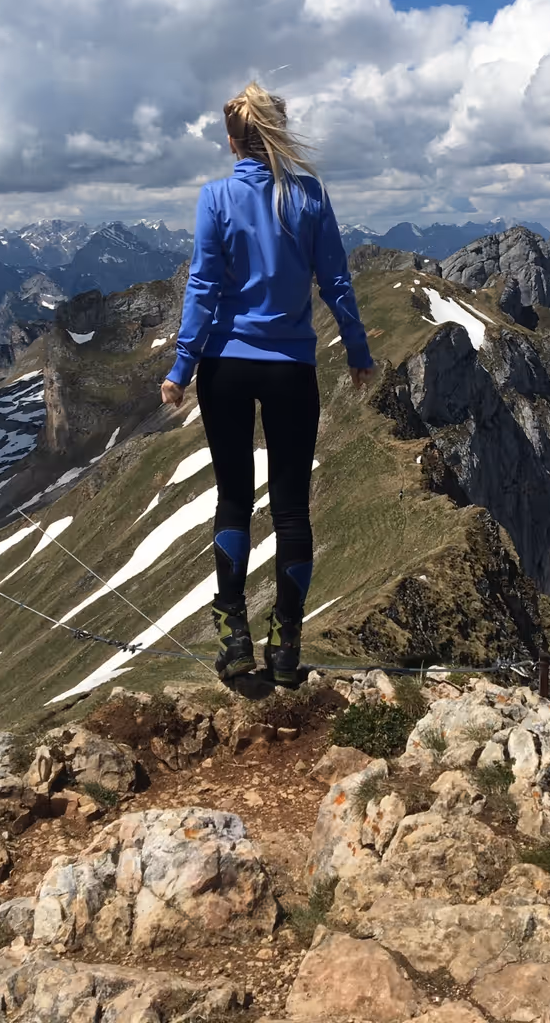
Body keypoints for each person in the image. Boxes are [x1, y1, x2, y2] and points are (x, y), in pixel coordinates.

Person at [161, 82, 375, 687]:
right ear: (277, 133)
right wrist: (358, 352)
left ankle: (233, 640)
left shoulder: (215, 199)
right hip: (290, 369)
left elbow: (202, 287)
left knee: (233, 497)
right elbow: (336, 281)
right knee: (290, 507)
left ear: (233, 142)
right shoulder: (309, 197)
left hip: (226, 366)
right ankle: (286, 645)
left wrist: (181, 368)